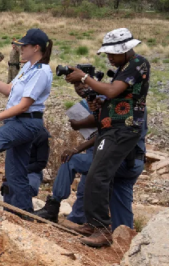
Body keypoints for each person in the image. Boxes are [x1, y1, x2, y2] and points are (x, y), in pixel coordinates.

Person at [62, 27, 149, 247]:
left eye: (112, 53)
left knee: (98, 176)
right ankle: (92, 224)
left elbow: (111, 91)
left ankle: (101, 229)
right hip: (111, 128)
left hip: (124, 129)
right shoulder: (123, 68)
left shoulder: (138, 63)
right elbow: (114, 98)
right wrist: (100, 105)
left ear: (126, 49)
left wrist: (84, 77)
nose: (109, 58)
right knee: (96, 175)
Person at [0, 28, 53, 213]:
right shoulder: (28, 67)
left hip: (25, 122)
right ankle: (24, 214)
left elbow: (24, 105)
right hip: (19, 122)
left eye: (24, 45)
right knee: (16, 174)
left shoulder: (42, 71)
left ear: (36, 47)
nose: (20, 48)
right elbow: (9, 90)